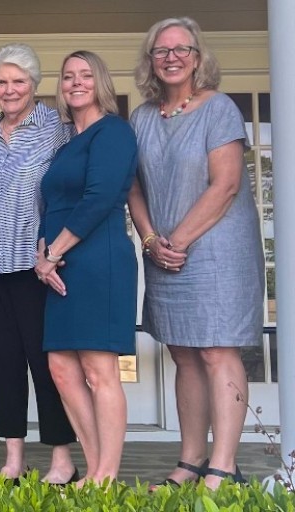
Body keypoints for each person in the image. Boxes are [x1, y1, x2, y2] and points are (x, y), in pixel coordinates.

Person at [129, 17, 263, 489]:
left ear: (197, 57)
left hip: (215, 250)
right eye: (161, 50)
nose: (171, 57)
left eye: (181, 49)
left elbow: (225, 184)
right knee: (183, 353)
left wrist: (178, 241)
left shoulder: (218, 108)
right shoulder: (142, 118)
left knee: (216, 351)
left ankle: (222, 466)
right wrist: (151, 240)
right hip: (162, 249)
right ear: (150, 60)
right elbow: (133, 187)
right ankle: (189, 462)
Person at [0, 43, 77, 485]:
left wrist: (55, 249)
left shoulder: (54, 128)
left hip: (37, 266)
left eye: (18, 81)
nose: (9, 90)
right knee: (4, 363)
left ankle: (62, 458)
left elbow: (65, 191)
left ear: (34, 84)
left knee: (46, 363)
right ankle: (14, 457)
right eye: (2, 82)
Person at [35, 50, 137, 486]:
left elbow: (98, 199)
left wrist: (54, 251)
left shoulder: (112, 132)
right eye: (68, 76)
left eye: (85, 76)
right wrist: (42, 258)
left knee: (99, 369)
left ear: (100, 83)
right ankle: (95, 469)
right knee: (61, 366)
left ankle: (107, 476)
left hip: (98, 260)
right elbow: (51, 202)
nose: (75, 83)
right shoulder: (64, 141)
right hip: (58, 263)